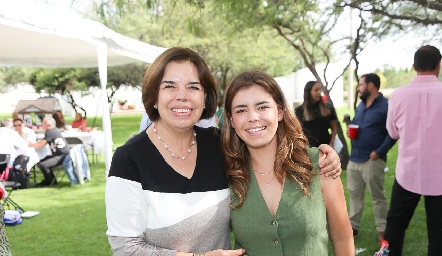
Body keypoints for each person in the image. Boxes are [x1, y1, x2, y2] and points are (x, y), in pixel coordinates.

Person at [105, 47, 342, 256]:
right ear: (153, 96)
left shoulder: (221, 147)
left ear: (205, 97)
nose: (182, 96)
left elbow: (264, 150)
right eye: (170, 86)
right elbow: (126, 249)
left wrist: (321, 152)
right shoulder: (129, 159)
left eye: (193, 87)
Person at [222, 70, 353, 255]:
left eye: (262, 107)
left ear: (280, 112)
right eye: (241, 110)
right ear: (231, 120)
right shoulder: (228, 175)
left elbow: (342, 236)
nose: (253, 117)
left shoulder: (319, 163)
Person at [384, 45, 442, 255]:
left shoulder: (398, 95)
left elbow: (393, 132)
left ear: (413, 66)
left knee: (395, 227)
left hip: (408, 173)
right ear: (438, 66)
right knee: (438, 233)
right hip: (440, 176)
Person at [343, 73, 396, 242]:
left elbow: (393, 133)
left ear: (370, 86)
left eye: (360, 85)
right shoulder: (360, 105)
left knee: (378, 197)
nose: (358, 88)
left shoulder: (387, 106)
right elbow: (360, 127)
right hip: (355, 157)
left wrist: (380, 152)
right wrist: (348, 124)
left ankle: (382, 230)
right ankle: (353, 227)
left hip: (373, 159)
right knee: (354, 194)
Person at [295, 81, 338, 147]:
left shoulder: (328, 108)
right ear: (308, 92)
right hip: (309, 149)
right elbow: (297, 132)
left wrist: (332, 143)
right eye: (316, 90)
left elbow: (334, 128)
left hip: (326, 147)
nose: (319, 92)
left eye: (320, 89)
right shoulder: (299, 110)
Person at [29, 117, 70, 186]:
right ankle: (51, 180)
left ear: (48, 125)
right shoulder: (54, 130)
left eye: (43, 124)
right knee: (42, 160)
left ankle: (49, 182)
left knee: (43, 165)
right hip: (61, 154)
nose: (42, 125)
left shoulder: (50, 132)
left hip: (62, 156)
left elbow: (40, 145)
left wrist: (30, 144)